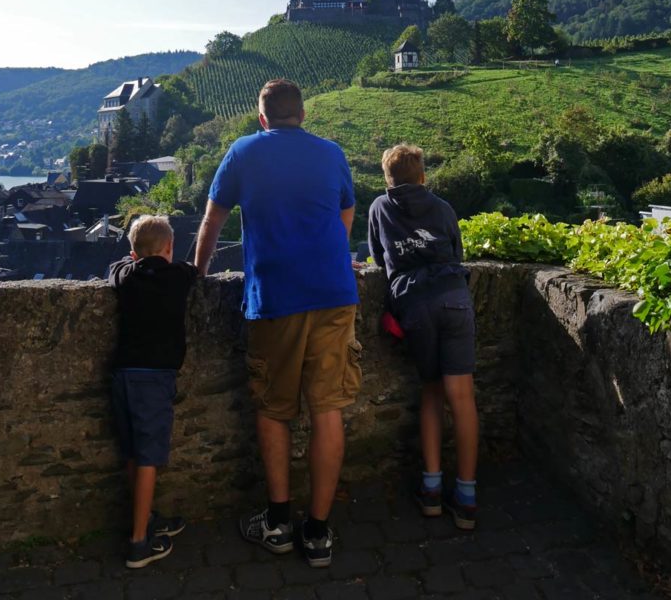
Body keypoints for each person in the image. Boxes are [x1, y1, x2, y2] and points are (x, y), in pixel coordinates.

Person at [194, 78, 361, 568]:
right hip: (334, 294)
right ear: (303, 114)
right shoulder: (331, 153)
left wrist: (199, 275)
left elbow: (212, 221)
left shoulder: (243, 152)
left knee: (275, 409)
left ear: (262, 117)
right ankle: (319, 533)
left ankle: (278, 523)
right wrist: (330, 250)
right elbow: (348, 207)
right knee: (328, 409)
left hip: (275, 299)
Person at [367, 143, 479, 529]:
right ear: (423, 177)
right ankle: (466, 496)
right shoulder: (444, 208)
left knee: (431, 390)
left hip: (414, 302)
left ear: (387, 180)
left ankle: (431, 490)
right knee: (462, 398)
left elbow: (378, 260)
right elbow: (456, 254)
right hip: (454, 296)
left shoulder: (379, 208)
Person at [108, 214, 198, 568]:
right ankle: (139, 542)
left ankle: (143, 518)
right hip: (155, 378)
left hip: (123, 374)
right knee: (149, 457)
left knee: (132, 452)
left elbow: (115, 268)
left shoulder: (125, 275)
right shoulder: (177, 277)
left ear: (133, 253)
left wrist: (133, 258)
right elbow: (195, 271)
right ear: (169, 249)